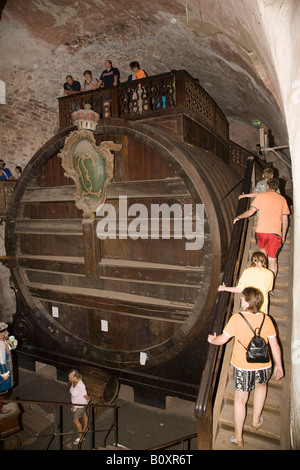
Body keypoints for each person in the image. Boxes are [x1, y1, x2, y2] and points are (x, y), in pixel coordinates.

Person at [207, 287, 283, 447]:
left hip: (243, 366)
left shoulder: (236, 318)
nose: (240, 300)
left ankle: (238, 436)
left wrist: (211, 340)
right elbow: (275, 345)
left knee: (240, 400)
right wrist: (279, 365)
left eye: (242, 298)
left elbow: (222, 340)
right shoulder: (267, 319)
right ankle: (256, 421)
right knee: (261, 389)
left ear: (248, 301)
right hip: (264, 364)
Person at [233, 178, 290, 278]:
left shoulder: (261, 196)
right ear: (277, 188)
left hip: (261, 232)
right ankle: (269, 285)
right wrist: (283, 235)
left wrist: (238, 217)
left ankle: (261, 281)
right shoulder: (282, 199)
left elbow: (250, 212)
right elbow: (285, 220)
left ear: (267, 186)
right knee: (273, 260)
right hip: (275, 234)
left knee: (262, 257)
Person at [68, 369, 90, 445]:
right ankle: (86, 427)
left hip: (80, 405)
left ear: (75, 377)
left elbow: (86, 396)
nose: (69, 379)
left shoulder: (81, 385)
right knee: (84, 413)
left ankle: (81, 436)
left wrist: (87, 401)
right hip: (76, 403)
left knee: (75, 420)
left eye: (70, 377)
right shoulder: (74, 382)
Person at [0, 322, 18, 414]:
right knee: (2, 390)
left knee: (4, 390)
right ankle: (0, 408)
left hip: (6, 368)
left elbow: (11, 347)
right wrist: (4, 374)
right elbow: (2, 361)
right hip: (3, 372)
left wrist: (12, 343)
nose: (7, 333)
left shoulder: (3, 343)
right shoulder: (0, 346)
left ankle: (2, 402)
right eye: (5, 332)